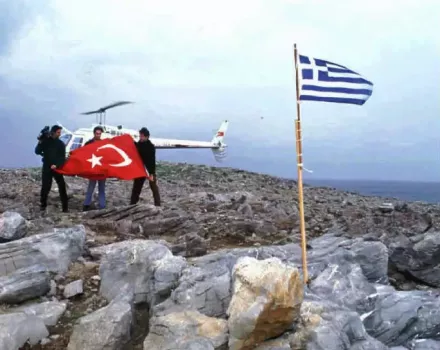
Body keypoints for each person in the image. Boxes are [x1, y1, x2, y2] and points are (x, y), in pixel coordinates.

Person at [34, 125, 68, 212]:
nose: (59, 134)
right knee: (45, 187)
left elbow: (62, 158)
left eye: (60, 132)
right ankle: (43, 205)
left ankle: (65, 207)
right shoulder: (45, 141)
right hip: (47, 168)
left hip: (57, 169)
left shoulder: (61, 144)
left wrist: (57, 165)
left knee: (62, 186)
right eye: (58, 132)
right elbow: (37, 151)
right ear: (53, 132)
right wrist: (40, 141)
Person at [130, 127, 161, 206]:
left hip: (149, 170)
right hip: (140, 169)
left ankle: (157, 204)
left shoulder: (150, 147)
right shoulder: (139, 144)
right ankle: (132, 203)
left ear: (147, 137)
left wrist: (151, 173)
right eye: (140, 135)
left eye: (142, 136)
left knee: (154, 187)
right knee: (136, 188)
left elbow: (152, 161)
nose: (140, 137)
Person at [82, 126, 106, 211]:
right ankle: (86, 205)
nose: (98, 135)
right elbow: (82, 153)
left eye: (99, 134)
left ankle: (102, 206)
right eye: (97, 133)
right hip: (92, 170)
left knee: (101, 189)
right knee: (91, 188)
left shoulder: (104, 144)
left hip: (102, 170)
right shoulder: (89, 143)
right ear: (94, 133)